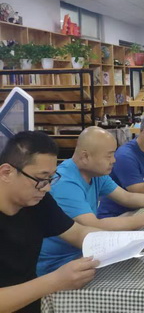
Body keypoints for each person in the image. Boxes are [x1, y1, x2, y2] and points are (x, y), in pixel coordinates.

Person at [37, 127, 144, 276]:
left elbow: (127, 197)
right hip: (58, 265)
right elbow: (93, 225)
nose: (114, 160)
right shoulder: (65, 183)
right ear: (85, 156)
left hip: (84, 253)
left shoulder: (96, 173)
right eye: (109, 156)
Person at [0, 131, 100, 313]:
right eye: (41, 179)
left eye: (51, 178)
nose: (47, 188)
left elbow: (77, 232)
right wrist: (55, 281)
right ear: (7, 172)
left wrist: (121, 242)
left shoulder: (37, 201)